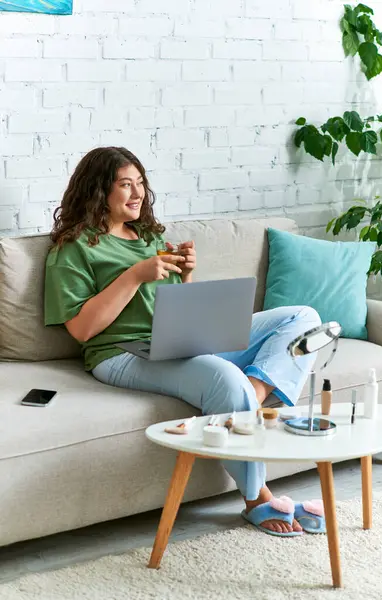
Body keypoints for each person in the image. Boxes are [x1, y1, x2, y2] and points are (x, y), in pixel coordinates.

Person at [44, 147, 325, 538]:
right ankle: (257, 498)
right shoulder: (73, 247)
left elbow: (175, 305)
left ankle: (253, 394)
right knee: (224, 379)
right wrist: (134, 276)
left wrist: (187, 275)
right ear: (98, 191)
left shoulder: (148, 237)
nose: (137, 193)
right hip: (122, 353)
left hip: (177, 339)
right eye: (125, 184)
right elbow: (81, 329)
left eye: (140, 183)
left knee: (303, 319)